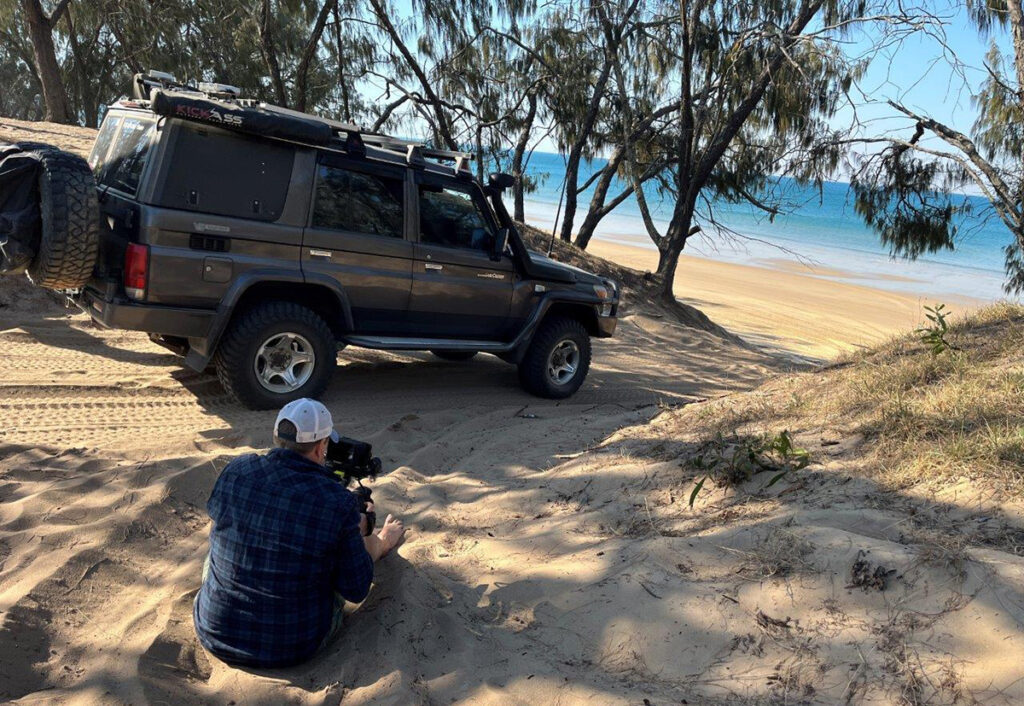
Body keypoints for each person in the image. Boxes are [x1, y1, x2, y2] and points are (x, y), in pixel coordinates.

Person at [193, 398, 405, 668]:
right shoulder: (335, 503)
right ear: (320, 448)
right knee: (332, 560)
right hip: (293, 645)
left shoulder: (237, 470)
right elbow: (356, 588)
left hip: (214, 630)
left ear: (277, 437)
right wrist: (369, 534)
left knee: (220, 547)